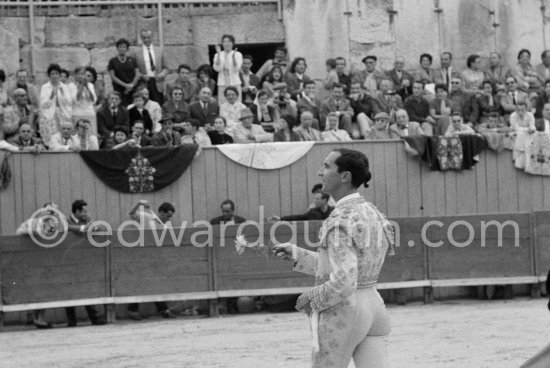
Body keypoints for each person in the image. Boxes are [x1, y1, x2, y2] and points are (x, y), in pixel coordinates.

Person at [271, 148, 393, 367]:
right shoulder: (373, 212)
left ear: (344, 176)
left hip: (345, 311)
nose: (320, 172)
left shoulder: (339, 219)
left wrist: (311, 299)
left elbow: (345, 282)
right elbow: (348, 268)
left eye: (326, 166)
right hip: (374, 306)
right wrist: (298, 255)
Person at [16, 203, 68, 329]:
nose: (51, 214)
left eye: (54, 212)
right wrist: (32, 232)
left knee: (43, 289)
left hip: (45, 262)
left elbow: (64, 233)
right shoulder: (32, 222)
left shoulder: (55, 225)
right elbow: (18, 234)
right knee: (34, 289)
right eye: (49, 211)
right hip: (30, 262)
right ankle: (33, 317)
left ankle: (40, 319)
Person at [127, 200, 178, 320]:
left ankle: (163, 310)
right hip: (140, 254)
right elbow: (131, 213)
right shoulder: (146, 217)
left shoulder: (165, 225)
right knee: (139, 282)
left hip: (155, 257)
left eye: (170, 217)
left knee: (156, 282)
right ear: (161, 213)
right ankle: (133, 311)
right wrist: (139, 202)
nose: (169, 219)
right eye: (167, 216)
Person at [65, 200, 106, 327]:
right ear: (76, 211)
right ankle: (72, 320)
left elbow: (100, 228)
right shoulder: (65, 220)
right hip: (66, 260)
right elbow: (64, 228)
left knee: (85, 286)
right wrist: (83, 228)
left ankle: (94, 318)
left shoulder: (87, 219)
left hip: (83, 259)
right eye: (83, 211)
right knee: (69, 289)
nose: (86, 213)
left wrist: (95, 227)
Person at [38, 63, 73, 148]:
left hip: (63, 115)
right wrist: (51, 96)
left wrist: (63, 94)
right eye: (52, 74)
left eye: (56, 74)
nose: (54, 76)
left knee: (63, 137)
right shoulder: (45, 87)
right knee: (51, 138)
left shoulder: (64, 87)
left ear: (60, 75)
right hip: (49, 116)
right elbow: (43, 105)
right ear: (49, 75)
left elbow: (69, 102)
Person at [132, 29, 168, 104]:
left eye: (148, 37)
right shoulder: (136, 52)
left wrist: (161, 74)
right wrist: (142, 75)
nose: (146, 40)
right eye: (144, 38)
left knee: (158, 104)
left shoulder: (160, 50)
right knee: (144, 104)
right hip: (144, 82)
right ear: (141, 38)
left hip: (157, 82)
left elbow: (166, 67)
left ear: (152, 37)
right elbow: (134, 69)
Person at [108, 38, 141, 106]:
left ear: (127, 48)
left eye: (124, 47)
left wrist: (131, 85)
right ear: (117, 48)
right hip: (119, 89)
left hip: (132, 89)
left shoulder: (132, 60)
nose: (122, 49)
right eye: (120, 47)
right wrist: (125, 85)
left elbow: (137, 74)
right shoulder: (113, 61)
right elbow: (113, 76)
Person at [213, 34, 243, 104]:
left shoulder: (238, 54)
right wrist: (219, 54)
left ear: (233, 43)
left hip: (235, 82)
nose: (227, 43)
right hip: (222, 83)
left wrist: (233, 58)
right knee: (223, 103)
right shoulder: (217, 54)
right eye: (224, 41)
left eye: (229, 41)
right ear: (222, 43)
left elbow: (236, 69)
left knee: (237, 102)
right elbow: (217, 69)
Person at [69, 66, 97, 135]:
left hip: (90, 113)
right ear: (75, 75)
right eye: (78, 74)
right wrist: (81, 86)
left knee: (91, 135)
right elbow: (75, 100)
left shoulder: (90, 85)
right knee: (78, 135)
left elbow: (93, 100)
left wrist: (87, 87)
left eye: (82, 74)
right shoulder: (71, 86)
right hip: (77, 113)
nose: (80, 76)